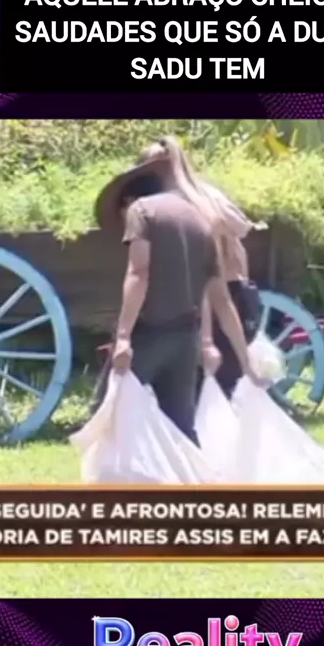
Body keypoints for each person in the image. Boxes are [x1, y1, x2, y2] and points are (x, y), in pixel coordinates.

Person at [90, 141, 262, 443]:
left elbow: (139, 273)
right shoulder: (201, 218)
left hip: (149, 335)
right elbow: (221, 299)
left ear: (129, 198)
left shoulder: (141, 211)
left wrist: (123, 338)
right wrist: (245, 361)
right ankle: (189, 474)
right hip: (185, 339)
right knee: (182, 428)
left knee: (105, 417)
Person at [162, 136, 266, 398]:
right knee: (226, 384)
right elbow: (241, 227)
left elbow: (208, 289)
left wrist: (206, 340)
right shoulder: (207, 194)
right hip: (233, 291)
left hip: (205, 301)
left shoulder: (171, 205)